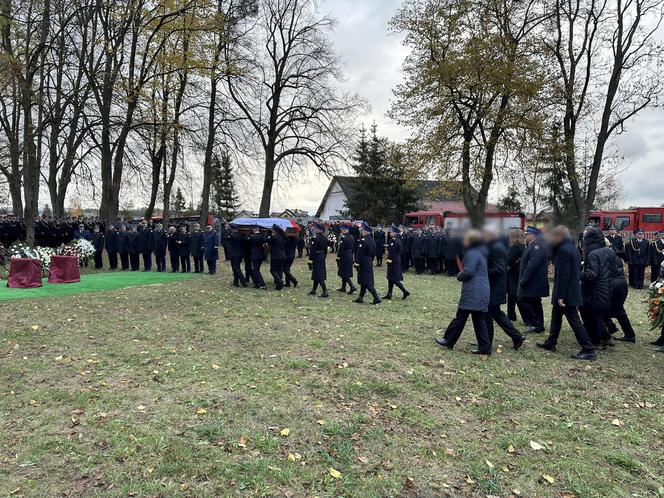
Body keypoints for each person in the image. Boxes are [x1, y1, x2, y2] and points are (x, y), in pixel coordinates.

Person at [536, 226, 596, 360]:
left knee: (574, 320)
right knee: (556, 316)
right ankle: (551, 342)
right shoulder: (571, 248)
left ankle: (588, 349)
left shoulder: (563, 250)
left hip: (566, 292)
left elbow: (564, 275)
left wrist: (561, 295)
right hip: (569, 289)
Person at [435, 229, 491, 355]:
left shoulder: (472, 252)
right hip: (481, 289)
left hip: (473, 291)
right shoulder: (480, 252)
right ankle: (485, 347)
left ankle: (449, 340)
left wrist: (459, 275)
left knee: (460, 317)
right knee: (478, 319)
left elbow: (468, 272)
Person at [483, 226, 524, 350]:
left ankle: (486, 342)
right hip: (496, 286)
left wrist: (483, 270)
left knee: (489, 314)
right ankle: (516, 336)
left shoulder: (495, 248)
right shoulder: (496, 246)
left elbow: (499, 269)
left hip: (495, 287)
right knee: (496, 314)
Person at [579, 227, 615, 348]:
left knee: (589, 316)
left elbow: (591, 274)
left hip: (594, 290)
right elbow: (615, 270)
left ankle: (595, 342)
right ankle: (606, 337)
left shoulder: (592, 254)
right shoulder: (608, 251)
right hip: (607, 288)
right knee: (597, 316)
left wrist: (577, 274)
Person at [518, 226, 550, 334]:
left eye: (526, 234)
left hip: (534, 282)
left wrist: (524, 279)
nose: (525, 236)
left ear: (532, 235)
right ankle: (537, 324)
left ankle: (536, 323)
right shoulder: (532, 246)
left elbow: (532, 264)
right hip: (533, 282)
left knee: (525, 300)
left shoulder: (537, 246)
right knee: (534, 302)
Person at [605, 245, 636, 343]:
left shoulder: (606, 256)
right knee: (619, 311)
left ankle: (610, 329)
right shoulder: (614, 255)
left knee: (605, 308)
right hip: (621, 284)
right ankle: (629, 334)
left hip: (614, 284)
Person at [354, 222, 381, 305]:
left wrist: (356, 263)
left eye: (362, 231)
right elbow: (373, 253)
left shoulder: (364, 241)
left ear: (365, 232)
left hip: (363, 261)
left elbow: (360, 253)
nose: (361, 232)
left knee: (367, 281)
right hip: (369, 260)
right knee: (363, 280)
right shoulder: (372, 240)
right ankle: (360, 297)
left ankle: (376, 297)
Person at [382, 225, 410, 300]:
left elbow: (392, 253)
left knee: (394, 278)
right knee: (390, 278)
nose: (389, 233)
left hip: (393, 261)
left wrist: (388, 260)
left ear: (394, 233)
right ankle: (389, 293)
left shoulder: (393, 241)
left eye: (391, 232)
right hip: (396, 259)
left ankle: (405, 291)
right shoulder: (397, 240)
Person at [506, 228, 527, 323]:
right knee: (519, 296)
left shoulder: (514, 247)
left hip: (513, 273)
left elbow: (509, 261)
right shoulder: (524, 247)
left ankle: (511, 316)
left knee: (512, 295)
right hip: (521, 272)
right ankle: (526, 318)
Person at [308, 222, 329, 298]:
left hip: (316, 256)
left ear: (319, 230)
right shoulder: (325, 238)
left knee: (319, 274)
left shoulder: (315, 238)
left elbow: (313, 250)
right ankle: (314, 290)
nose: (315, 229)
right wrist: (324, 256)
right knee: (316, 274)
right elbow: (326, 250)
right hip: (322, 255)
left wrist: (310, 260)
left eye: (316, 228)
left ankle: (325, 291)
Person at [336, 224, 357, 294]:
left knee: (344, 272)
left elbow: (341, 249)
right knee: (344, 271)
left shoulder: (343, 238)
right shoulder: (351, 237)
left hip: (344, 255)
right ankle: (343, 287)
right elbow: (354, 248)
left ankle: (352, 286)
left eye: (342, 229)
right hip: (350, 255)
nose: (341, 231)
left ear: (344, 230)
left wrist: (338, 257)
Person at [268, 224, 286, 290]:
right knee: (279, 270)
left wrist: (267, 234)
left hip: (276, 256)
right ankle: (279, 286)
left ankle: (279, 282)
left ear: (273, 230)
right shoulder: (281, 236)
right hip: (283, 256)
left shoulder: (273, 237)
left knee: (273, 270)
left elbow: (266, 240)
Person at [248, 225, 267, 289]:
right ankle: (257, 284)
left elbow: (247, 241)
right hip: (261, 255)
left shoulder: (252, 237)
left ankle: (262, 285)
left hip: (255, 255)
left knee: (256, 270)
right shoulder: (262, 235)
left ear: (254, 229)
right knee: (256, 270)